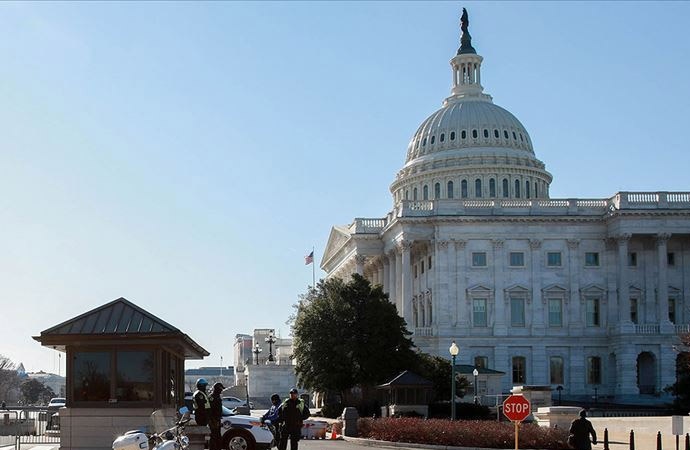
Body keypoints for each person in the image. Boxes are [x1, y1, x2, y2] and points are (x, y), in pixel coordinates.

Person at [209, 382, 224, 450]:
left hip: (217, 419)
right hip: (214, 420)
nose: (221, 391)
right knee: (214, 437)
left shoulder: (217, 396)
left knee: (217, 436)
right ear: (218, 389)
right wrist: (214, 420)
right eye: (221, 389)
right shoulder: (212, 397)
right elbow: (211, 410)